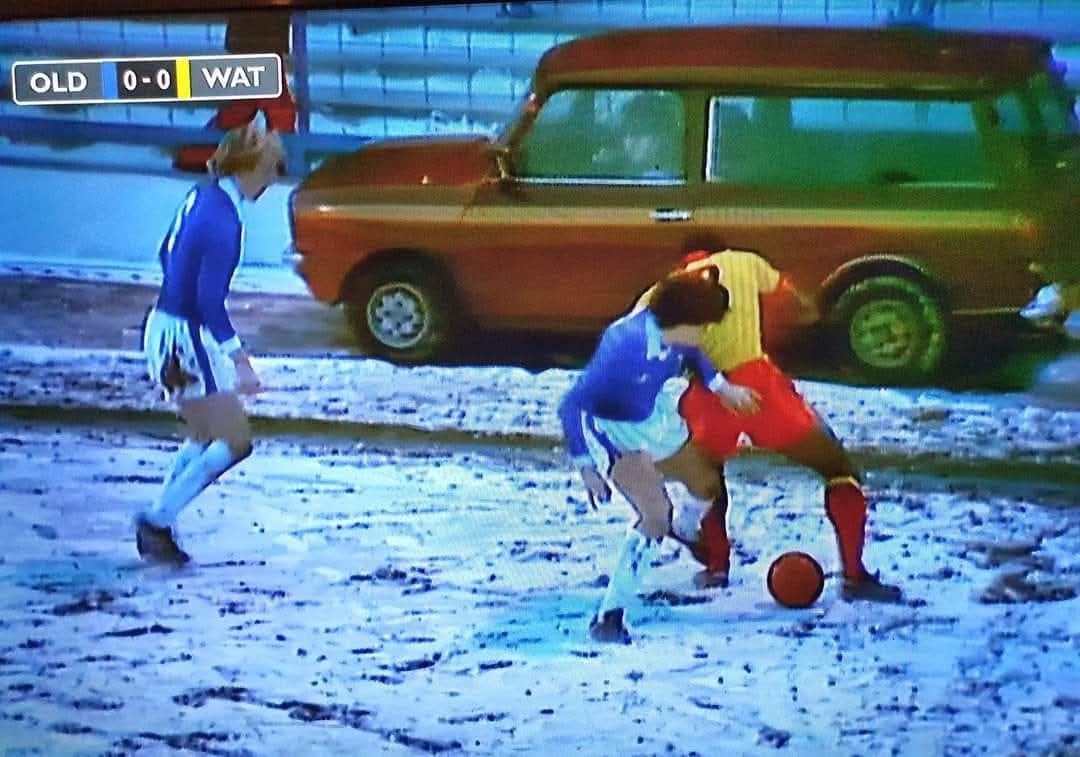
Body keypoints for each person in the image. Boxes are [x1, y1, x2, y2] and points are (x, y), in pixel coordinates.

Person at [637, 249, 903, 602]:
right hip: (756, 384)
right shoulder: (742, 260)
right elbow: (795, 301)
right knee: (836, 467)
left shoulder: (656, 295)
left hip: (706, 393)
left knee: (708, 476)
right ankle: (855, 576)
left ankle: (717, 566)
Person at [558, 267, 758, 644]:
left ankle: (683, 529)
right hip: (614, 432)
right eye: (701, 326)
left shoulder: (676, 334)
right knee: (654, 516)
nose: (705, 335)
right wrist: (586, 467)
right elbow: (571, 405)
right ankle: (609, 616)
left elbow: (695, 355)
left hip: (653, 418)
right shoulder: (624, 346)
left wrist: (722, 388)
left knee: (707, 483)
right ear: (684, 321)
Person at [136, 120, 286, 565]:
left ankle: (159, 522)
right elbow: (209, 302)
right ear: (253, 166)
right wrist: (240, 361)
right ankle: (157, 520)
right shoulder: (226, 222)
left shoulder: (202, 197)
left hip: (164, 327)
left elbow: (166, 253)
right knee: (235, 440)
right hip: (185, 337)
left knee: (205, 434)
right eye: (274, 168)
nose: (275, 179)